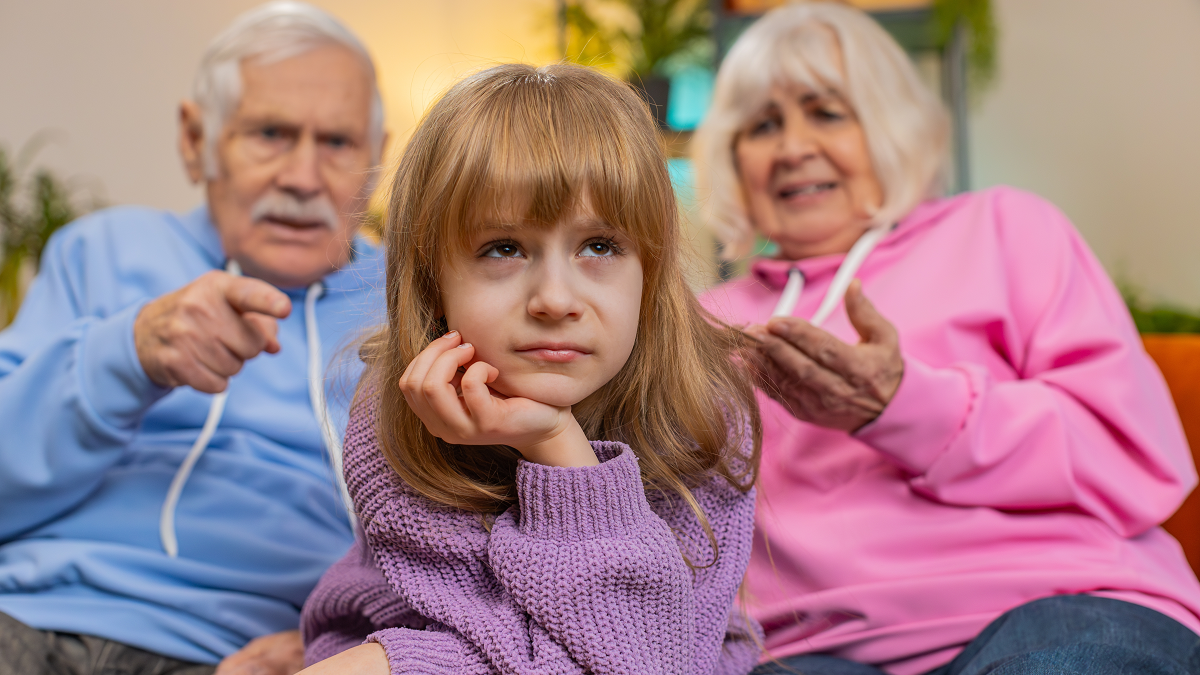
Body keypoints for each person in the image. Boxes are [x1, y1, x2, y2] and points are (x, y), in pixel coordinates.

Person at [692, 3, 1200, 675]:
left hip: (1063, 603)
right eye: (762, 125)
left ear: (891, 126)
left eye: (827, 112)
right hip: (813, 649)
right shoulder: (705, 322)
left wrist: (900, 405)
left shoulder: (1005, 228)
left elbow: (1134, 455)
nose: (791, 147)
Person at [296, 62, 764, 674]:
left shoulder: (703, 414)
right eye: (504, 249)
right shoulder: (400, 412)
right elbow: (477, 635)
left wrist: (556, 447)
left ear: (649, 272)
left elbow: (644, 662)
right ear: (432, 281)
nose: (554, 299)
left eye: (599, 247)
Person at [0, 2, 386, 673]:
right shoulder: (101, 249)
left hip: (239, 655)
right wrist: (129, 353)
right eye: (270, 133)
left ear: (378, 158)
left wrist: (348, 641)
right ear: (194, 138)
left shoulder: (412, 303)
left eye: (337, 144)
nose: (302, 177)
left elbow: (471, 535)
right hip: (29, 615)